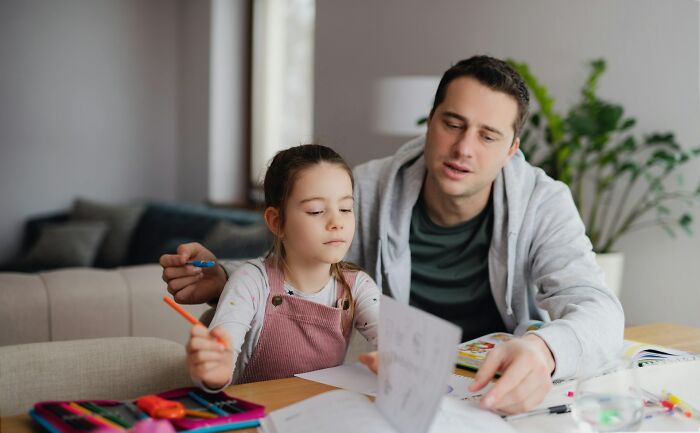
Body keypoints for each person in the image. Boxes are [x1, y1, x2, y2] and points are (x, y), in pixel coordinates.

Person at [161, 55, 624, 413]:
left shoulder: (544, 202)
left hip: (495, 394)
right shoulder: (366, 188)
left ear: (511, 149)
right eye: (453, 124)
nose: (463, 148)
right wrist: (223, 280)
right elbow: (300, 262)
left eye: (487, 135)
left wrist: (544, 350)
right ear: (431, 119)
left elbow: (599, 310)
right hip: (396, 387)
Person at [185, 144, 380, 391]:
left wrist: (396, 358)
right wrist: (214, 371)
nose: (336, 222)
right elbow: (218, 363)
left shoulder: (358, 287)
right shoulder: (250, 282)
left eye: (345, 209)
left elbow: (394, 341)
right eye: (316, 211)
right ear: (277, 222)